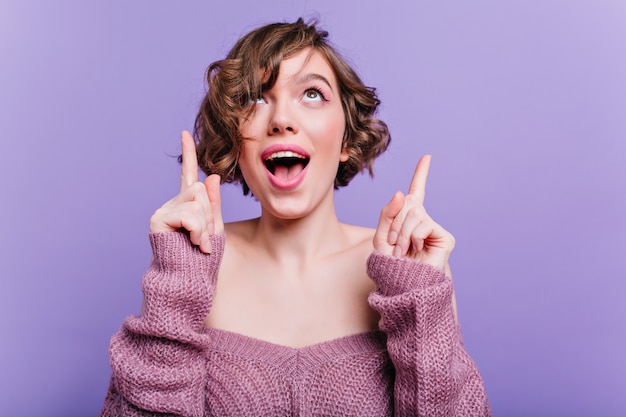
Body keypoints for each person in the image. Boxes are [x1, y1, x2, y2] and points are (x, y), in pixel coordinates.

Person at [99, 18, 491, 417]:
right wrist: (176, 291)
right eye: (255, 98)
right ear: (236, 141)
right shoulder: (192, 265)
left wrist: (418, 298)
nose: (281, 120)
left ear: (345, 137)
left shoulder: (408, 270)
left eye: (312, 94)